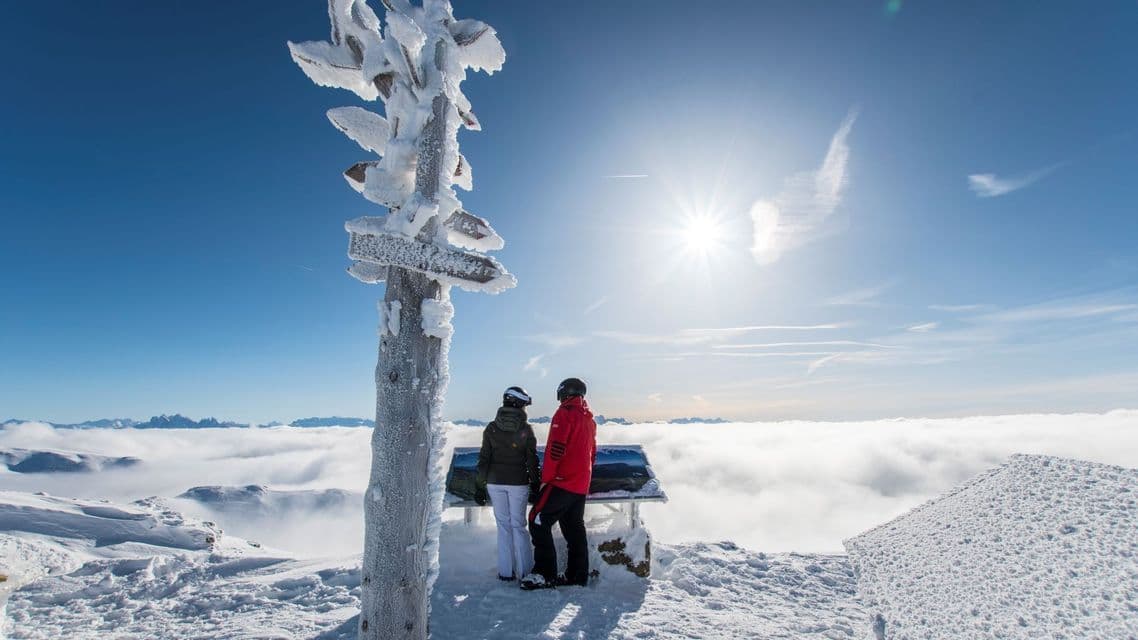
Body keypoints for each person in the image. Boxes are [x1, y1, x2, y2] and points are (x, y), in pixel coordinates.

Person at [522, 377, 597, 590]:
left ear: (564, 392)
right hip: (580, 484)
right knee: (574, 527)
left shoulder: (564, 413)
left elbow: (556, 449)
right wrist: (584, 478)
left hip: (562, 481)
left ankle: (544, 574)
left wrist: (546, 480)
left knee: (537, 519)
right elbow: (592, 453)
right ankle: (577, 575)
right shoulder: (589, 419)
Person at [475, 386, 541, 582]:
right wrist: (535, 484)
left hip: (494, 483)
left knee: (503, 527)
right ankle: (525, 573)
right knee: (519, 526)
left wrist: (479, 486)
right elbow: (531, 460)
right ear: (520, 405)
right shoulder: (526, 429)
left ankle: (505, 572)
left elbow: (484, 459)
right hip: (518, 483)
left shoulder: (491, 428)